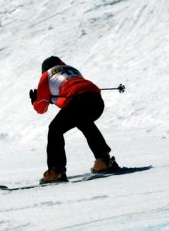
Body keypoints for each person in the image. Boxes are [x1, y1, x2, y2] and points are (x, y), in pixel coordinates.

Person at [30, 56, 120, 184]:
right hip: (96, 101)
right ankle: (104, 160)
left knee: (55, 129)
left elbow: (41, 108)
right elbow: (67, 98)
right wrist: (52, 99)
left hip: (78, 101)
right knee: (83, 122)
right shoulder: (72, 69)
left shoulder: (47, 75)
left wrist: (35, 100)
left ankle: (56, 171)